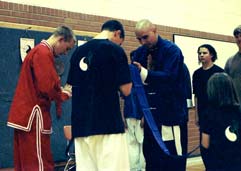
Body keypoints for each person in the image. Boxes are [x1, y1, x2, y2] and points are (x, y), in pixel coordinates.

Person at [7, 26, 76, 171]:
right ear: (61, 39)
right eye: (67, 48)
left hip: (25, 115)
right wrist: (64, 94)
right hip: (34, 116)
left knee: (25, 162)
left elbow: (43, 84)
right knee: (38, 163)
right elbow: (47, 88)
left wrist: (59, 89)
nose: (65, 53)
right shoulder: (43, 53)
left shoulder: (39, 51)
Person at [67, 20, 132, 171]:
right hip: (108, 124)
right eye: (120, 42)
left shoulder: (78, 52)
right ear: (117, 33)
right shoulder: (115, 50)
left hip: (81, 126)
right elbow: (126, 90)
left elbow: (70, 85)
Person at [132, 19, 187, 171]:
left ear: (155, 30)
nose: (142, 42)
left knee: (172, 157)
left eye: (145, 37)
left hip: (171, 115)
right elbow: (137, 87)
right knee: (151, 157)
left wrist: (144, 73)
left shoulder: (172, 50)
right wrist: (142, 113)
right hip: (150, 117)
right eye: (138, 39)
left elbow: (169, 78)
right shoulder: (140, 52)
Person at [200, 72, 241, 171]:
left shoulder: (208, 114)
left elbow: (205, 144)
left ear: (211, 90)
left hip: (219, 164)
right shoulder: (238, 111)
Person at [225, 25, 241, 155]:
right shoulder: (230, 61)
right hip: (235, 115)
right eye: (237, 36)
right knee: (238, 151)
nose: (239, 38)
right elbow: (226, 87)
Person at [121, 51, 146, 171]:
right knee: (138, 143)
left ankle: (136, 168)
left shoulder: (129, 73)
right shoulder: (138, 75)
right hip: (134, 113)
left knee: (134, 143)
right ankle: (137, 168)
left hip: (132, 113)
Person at [192, 44, 224, 127]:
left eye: (204, 53)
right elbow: (196, 95)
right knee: (203, 138)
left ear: (211, 55)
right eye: (199, 53)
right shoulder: (196, 74)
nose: (201, 55)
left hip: (217, 112)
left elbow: (224, 95)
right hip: (202, 112)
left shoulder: (220, 72)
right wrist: (196, 115)